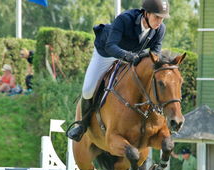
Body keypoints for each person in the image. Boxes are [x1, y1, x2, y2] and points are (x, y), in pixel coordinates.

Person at [67, 0, 170, 141]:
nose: (159, 21)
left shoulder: (160, 29)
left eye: (162, 18)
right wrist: (127, 56)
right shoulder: (125, 19)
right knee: (88, 90)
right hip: (106, 53)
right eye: (157, 17)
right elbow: (110, 46)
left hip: (131, 57)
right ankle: (82, 125)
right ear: (146, 13)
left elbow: (154, 55)